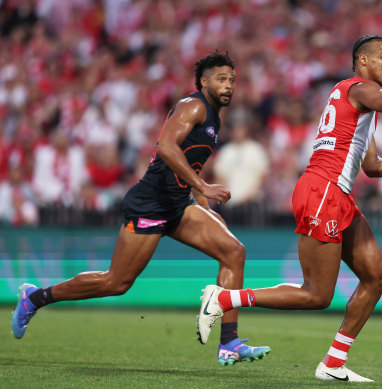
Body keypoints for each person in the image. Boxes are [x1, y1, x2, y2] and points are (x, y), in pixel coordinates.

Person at [196, 35, 382, 382]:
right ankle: (226, 299)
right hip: (322, 191)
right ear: (363, 61)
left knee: (377, 276)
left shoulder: (361, 103)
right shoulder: (359, 89)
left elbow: (373, 166)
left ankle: (333, 363)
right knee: (316, 294)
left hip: (336, 194)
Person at [11, 51, 270, 366]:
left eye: (232, 79)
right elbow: (167, 147)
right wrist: (203, 188)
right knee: (116, 283)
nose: (229, 85)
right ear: (203, 82)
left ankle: (229, 343)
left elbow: (192, 162)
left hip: (177, 203)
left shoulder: (214, 116)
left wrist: (202, 202)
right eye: (221, 79)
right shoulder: (193, 106)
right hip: (151, 202)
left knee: (234, 252)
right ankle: (35, 298)